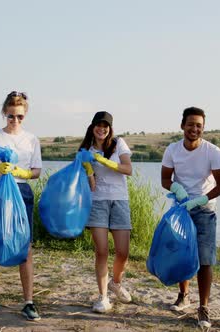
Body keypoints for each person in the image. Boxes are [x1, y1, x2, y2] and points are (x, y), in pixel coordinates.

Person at [0, 91, 42, 321]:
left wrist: (20, 172)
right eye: (11, 116)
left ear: (25, 115)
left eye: (20, 117)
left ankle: (29, 302)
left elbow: (36, 171)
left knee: (25, 245)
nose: (15, 121)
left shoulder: (31, 140)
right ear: (5, 113)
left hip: (21, 191)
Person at [161, 106, 220, 328]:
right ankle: (184, 295)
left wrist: (200, 200)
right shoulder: (172, 149)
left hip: (205, 211)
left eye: (199, 125)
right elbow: (165, 180)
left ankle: (204, 307)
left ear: (203, 128)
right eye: (190, 124)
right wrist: (177, 189)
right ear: (182, 126)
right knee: (182, 254)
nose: (194, 129)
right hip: (181, 209)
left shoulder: (212, 151)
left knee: (205, 260)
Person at [78, 111, 133, 313]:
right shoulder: (86, 149)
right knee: (101, 251)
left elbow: (128, 169)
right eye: (98, 125)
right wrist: (89, 171)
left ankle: (116, 283)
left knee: (123, 252)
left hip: (120, 201)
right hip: (97, 203)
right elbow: (87, 181)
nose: (102, 128)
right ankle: (103, 297)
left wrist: (104, 161)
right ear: (92, 127)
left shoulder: (119, 144)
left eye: (106, 125)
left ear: (110, 129)